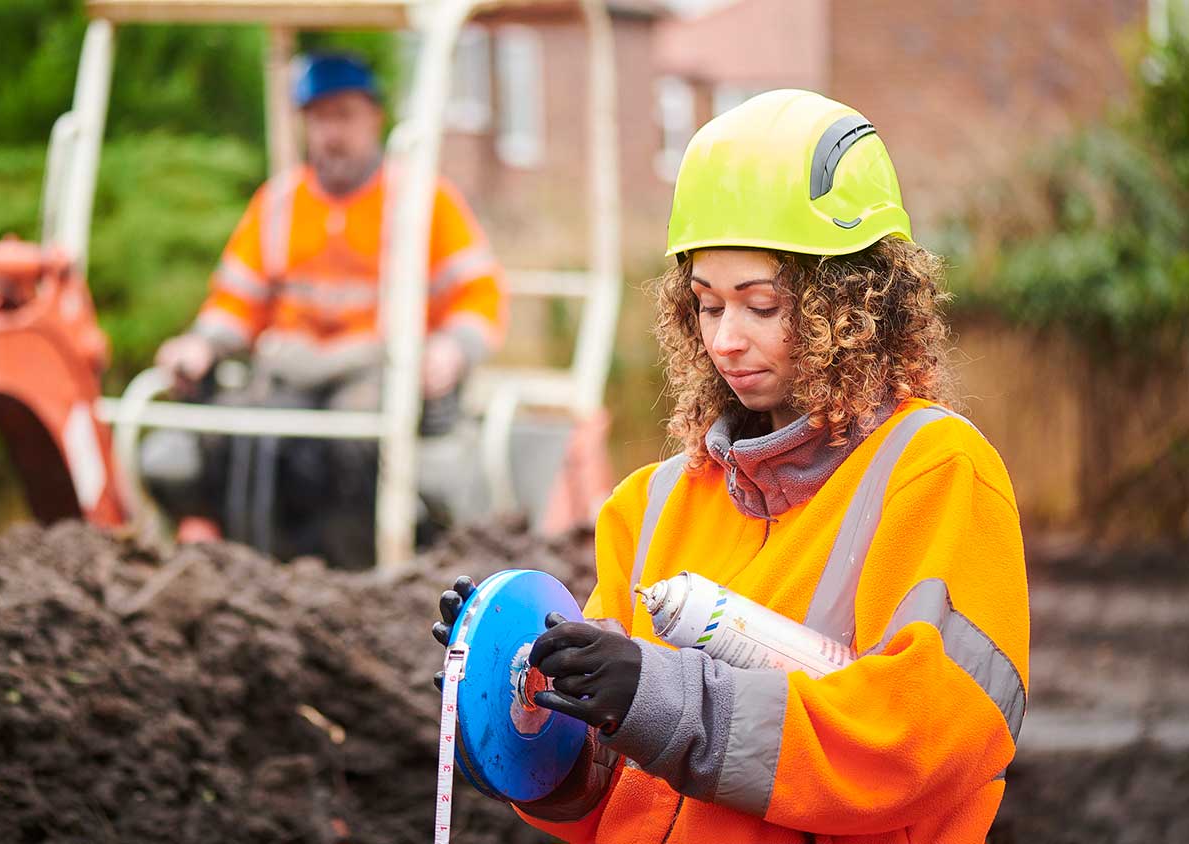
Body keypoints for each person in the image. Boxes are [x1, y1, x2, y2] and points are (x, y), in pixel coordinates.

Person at [431, 89, 1028, 843]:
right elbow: (601, 798)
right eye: (709, 305)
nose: (726, 340)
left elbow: (921, 743)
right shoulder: (649, 505)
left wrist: (664, 698)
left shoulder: (936, 473)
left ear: (852, 302)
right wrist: (511, 704)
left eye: (762, 304)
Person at [142, 53, 505, 565]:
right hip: (290, 370)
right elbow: (236, 301)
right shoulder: (280, 204)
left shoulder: (423, 201)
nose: (332, 133)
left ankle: (357, 577)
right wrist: (201, 344)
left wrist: (451, 350)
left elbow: (479, 294)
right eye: (319, 118)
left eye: (344, 116)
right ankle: (254, 569)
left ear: (374, 118)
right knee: (252, 434)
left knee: (355, 439)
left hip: (376, 370)